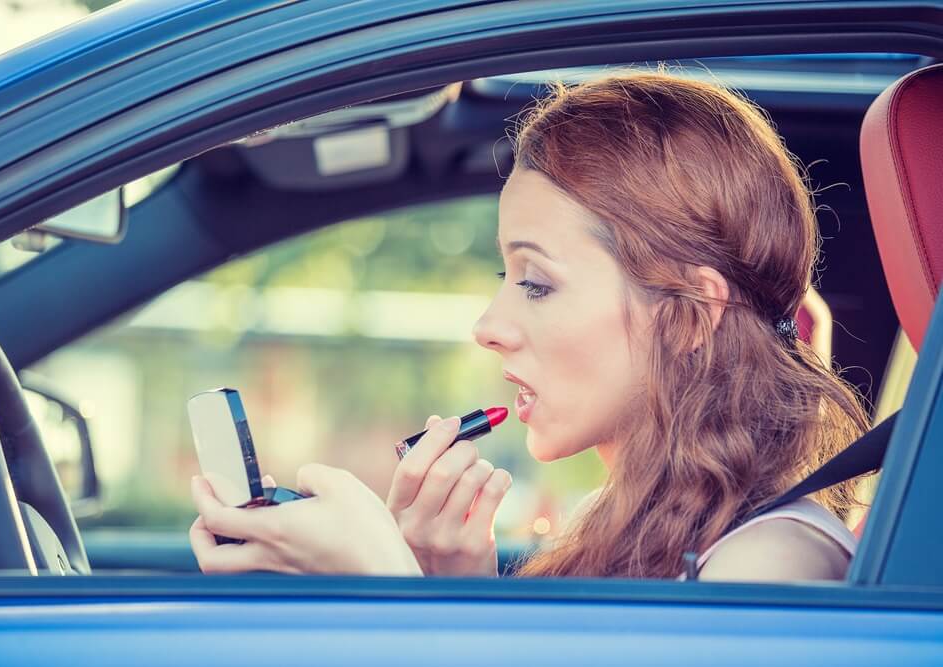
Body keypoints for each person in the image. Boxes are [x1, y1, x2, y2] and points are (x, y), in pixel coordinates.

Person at [189, 71, 870, 581]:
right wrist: (447, 579)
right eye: (503, 279)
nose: (488, 326)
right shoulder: (626, 531)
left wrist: (383, 580)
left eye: (537, 283)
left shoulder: (769, 565)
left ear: (689, 314)